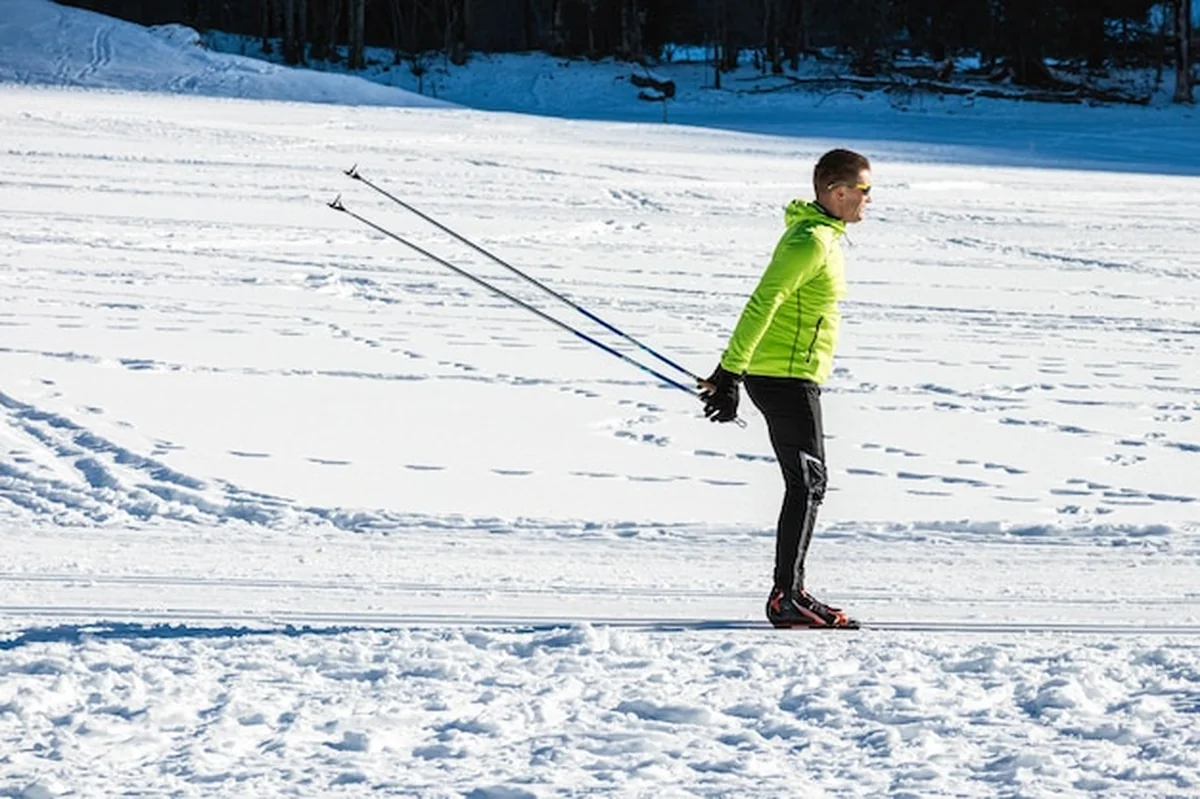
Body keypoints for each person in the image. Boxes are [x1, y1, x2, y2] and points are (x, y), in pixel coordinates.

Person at [699, 148, 872, 629]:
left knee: (809, 481)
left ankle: (790, 592)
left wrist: (733, 373)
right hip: (783, 377)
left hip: (790, 373)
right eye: (865, 191)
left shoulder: (823, 236)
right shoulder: (810, 242)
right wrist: (729, 373)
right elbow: (763, 303)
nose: (869, 201)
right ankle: (787, 596)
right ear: (838, 193)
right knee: (809, 482)